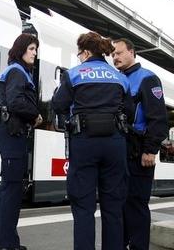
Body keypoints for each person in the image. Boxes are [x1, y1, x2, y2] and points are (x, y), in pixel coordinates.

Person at [52, 32, 134, 250]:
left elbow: (58, 105)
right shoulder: (119, 77)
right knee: (113, 208)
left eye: (80, 53)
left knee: (83, 208)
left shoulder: (75, 74)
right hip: (114, 145)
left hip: (85, 143)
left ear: (86, 52)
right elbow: (130, 111)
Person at [112, 38, 168, 250]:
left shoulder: (147, 79)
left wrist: (150, 150)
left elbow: (158, 118)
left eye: (119, 53)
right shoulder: (115, 79)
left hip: (139, 153)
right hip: (119, 152)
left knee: (136, 204)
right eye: (112, 54)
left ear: (132, 52)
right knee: (120, 204)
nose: (115, 57)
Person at [0, 33, 42, 250]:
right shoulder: (17, 72)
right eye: (31, 48)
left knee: (9, 189)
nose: (35, 53)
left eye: (36, 49)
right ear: (21, 48)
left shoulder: (17, 71)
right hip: (11, 135)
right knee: (11, 190)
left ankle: (4, 241)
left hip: (11, 133)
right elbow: (15, 102)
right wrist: (35, 115)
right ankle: (8, 244)